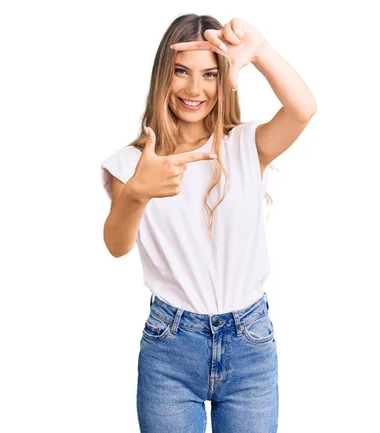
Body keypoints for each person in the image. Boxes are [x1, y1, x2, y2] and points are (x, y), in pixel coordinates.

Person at [101, 14, 316, 433]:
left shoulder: (246, 146)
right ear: (163, 73)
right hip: (171, 347)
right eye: (181, 71)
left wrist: (261, 52)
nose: (194, 89)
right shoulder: (131, 163)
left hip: (249, 343)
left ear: (225, 80)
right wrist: (139, 191)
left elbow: (303, 109)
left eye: (210, 74)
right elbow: (116, 244)